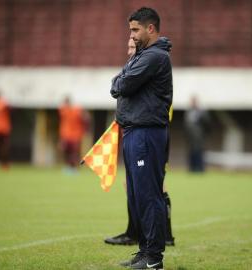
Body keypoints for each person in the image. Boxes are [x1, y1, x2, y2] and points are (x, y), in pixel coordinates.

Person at [110, 7, 172, 269]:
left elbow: (120, 85)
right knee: (136, 195)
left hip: (146, 134)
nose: (132, 35)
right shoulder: (143, 56)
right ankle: (144, 251)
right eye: (130, 30)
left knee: (148, 196)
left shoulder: (155, 57)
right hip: (135, 132)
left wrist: (121, 79)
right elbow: (119, 82)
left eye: (135, 30)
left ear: (151, 28)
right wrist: (121, 78)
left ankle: (154, 259)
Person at [58, 96, 89, 173]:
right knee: (66, 152)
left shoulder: (76, 109)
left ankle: (74, 168)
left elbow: (86, 118)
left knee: (73, 153)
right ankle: (68, 167)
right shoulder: (63, 110)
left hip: (75, 135)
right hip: (66, 135)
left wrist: (85, 129)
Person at [184, 96, 210, 172]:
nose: (193, 103)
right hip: (190, 138)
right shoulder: (188, 112)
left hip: (199, 137)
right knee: (191, 153)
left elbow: (207, 124)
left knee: (199, 152)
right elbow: (186, 125)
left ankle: (200, 169)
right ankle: (192, 169)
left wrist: (203, 134)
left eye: (194, 101)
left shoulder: (202, 112)